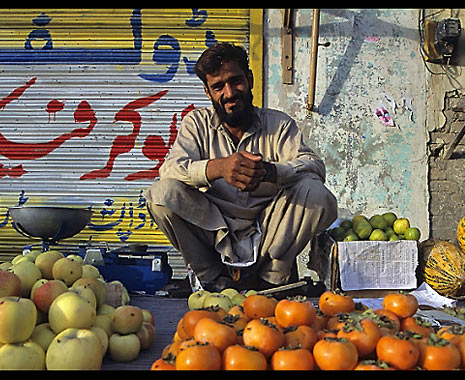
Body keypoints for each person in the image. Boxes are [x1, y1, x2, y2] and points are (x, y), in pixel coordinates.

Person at [145, 42, 338, 292]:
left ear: (250, 79)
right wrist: (218, 168)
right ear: (208, 92)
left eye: (235, 81)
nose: (229, 93)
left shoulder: (279, 125)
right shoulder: (196, 124)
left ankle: (272, 280)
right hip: (214, 229)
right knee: (161, 195)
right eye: (218, 87)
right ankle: (211, 278)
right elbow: (169, 170)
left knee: (316, 193)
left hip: (269, 230)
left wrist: (271, 172)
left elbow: (313, 166)